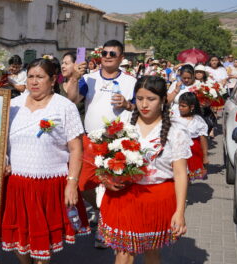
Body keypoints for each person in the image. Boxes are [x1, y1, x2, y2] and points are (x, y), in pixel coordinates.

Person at [1, 58, 90, 263]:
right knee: (19, 240)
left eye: (40, 77)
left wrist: (72, 182)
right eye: (31, 76)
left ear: (52, 80)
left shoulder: (65, 106)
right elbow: (1, 140)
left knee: (44, 244)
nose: (34, 82)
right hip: (17, 183)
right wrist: (4, 160)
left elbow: (76, 148)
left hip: (49, 184)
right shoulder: (13, 105)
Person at [98, 76, 190, 263]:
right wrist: (107, 179)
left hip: (157, 199)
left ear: (164, 100)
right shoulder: (123, 123)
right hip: (123, 196)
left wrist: (180, 212)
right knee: (124, 252)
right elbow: (104, 159)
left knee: (152, 252)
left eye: (151, 99)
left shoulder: (175, 132)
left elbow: (180, 175)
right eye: (139, 99)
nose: (144, 104)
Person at [64, 39, 136, 248]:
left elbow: (140, 108)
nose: (107, 56)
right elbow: (72, 99)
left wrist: (127, 104)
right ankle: (102, 211)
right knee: (81, 183)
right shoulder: (89, 78)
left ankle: (105, 227)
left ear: (121, 58)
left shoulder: (130, 81)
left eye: (112, 54)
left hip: (117, 141)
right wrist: (76, 77)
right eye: (104, 53)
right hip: (90, 139)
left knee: (112, 185)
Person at [177, 92, 208, 181]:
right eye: (179, 105)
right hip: (177, 150)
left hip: (193, 152)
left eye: (183, 106)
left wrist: (205, 156)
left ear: (192, 107)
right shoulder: (175, 118)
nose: (180, 108)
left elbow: (203, 139)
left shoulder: (198, 121)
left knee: (187, 178)